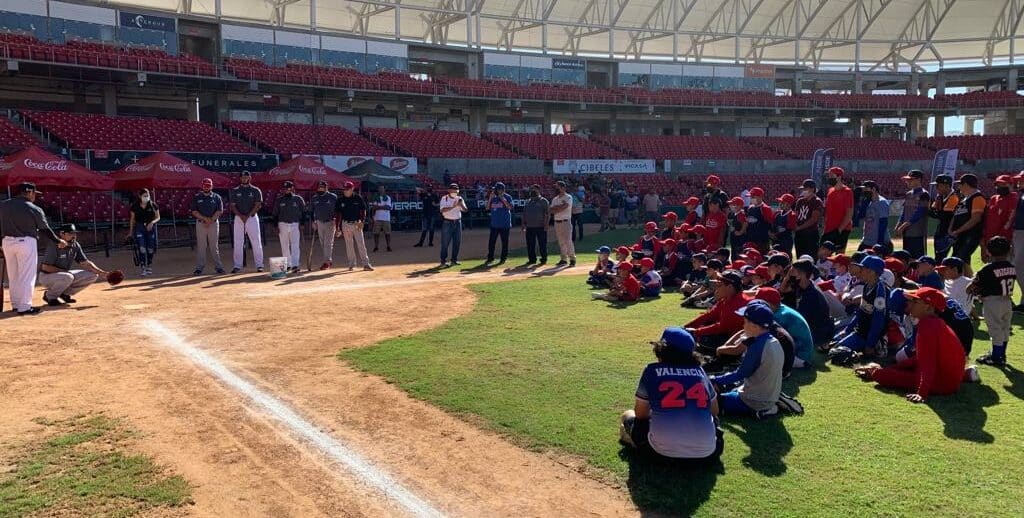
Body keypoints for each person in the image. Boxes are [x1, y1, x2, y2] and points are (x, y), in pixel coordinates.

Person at [620, 327, 724, 464]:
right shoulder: (700, 372)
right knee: (712, 422)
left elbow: (640, 414)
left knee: (628, 416)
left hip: (659, 454)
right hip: (708, 455)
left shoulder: (651, 371)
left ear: (661, 350)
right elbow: (714, 411)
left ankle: (635, 441)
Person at [857, 288, 967, 403]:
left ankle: (877, 370)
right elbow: (921, 358)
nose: (909, 303)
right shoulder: (935, 322)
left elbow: (927, 362)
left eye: (915, 301)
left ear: (928, 307)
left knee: (879, 375)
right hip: (947, 379)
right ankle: (967, 374)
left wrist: (922, 393)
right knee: (889, 370)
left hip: (941, 383)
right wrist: (892, 368)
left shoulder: (928, 324)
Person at [710, 301, 784, 418]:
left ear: (755, 327)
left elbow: (741, 374)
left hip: (754, 401)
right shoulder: (773, 341)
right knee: (728, 388)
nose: (743, 326)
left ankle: (758, 411)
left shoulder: (758, 346)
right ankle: (768, 406)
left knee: (710, 401)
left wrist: (715, 380)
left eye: (745, 322)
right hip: (768, 395)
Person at [0, 182, 66, 315]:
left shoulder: (3, 205)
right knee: (26, 275)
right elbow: (45, 229)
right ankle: (24, 306)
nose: (35, 196)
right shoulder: (33, 208)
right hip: (26, 242)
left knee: (14, 275)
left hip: (7, 242)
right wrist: (58, 240)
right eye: (34, 193)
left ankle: (16, 303)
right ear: (29, 192)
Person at [970, 236, 1017, 366]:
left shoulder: (987, 269)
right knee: (1005, 328)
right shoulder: (1012, 267)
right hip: (1007, 301)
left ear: (989, 252)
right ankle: (1002, 354)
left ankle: (996, 357)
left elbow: (972, 287)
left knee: (995, 329)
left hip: (992, 302)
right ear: (1008, 251)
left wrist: (976, 289)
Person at [833, 255, 889, 359]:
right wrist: (847, 329)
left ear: (872, 271)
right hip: (860, 331)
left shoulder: (880, 291)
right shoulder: (867, 286)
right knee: (834, 341)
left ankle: (869, 349)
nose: (860, 271)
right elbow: (861, 311)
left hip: (868, 336)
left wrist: (870, 344)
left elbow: (878, 320)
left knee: (836, 352)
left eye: (862, 269)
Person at [39, 224, 109, 306]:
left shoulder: (75, 245)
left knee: (93, 275)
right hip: (47, 277)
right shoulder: (54, 245)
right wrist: (65, 272)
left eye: (75, 233)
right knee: (68, 277)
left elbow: (85, 263)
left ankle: (64, 294)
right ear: (62, 234)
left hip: (64, 275)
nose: (74, 236)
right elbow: (46, 267)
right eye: (71, 233)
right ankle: (50, 296)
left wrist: (102, 273)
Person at [685, 271, 750, 351]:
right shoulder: (727, 299)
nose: (716, 288)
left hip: (740, 344)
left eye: (719, 285)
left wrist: (696, 332)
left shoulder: (739, 303)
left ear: (730, 287)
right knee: (704, 325)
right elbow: (709, 315)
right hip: (732, 336)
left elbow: (721, 327)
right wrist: (686, 327)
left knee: (704, 338)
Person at [781, 259, 835, 349]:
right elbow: (783, 290)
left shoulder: (812, 294)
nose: (790, 274)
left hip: (817, 332)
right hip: (809, 326)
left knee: (785, 343)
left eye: (792, 272)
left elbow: (800, 321)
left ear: (801, 275)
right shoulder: (802, 285)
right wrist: (787, 277)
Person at [755, 287, 813, 369]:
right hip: (800, 352)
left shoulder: (779, 316)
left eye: (759, 303)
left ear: (770, 303)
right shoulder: (779, 309)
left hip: (800, 357)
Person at [229, 171, 264, 273]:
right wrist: (241, 216)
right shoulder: (235, 190)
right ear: (240, 178)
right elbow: (232, 206)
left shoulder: (255, 190)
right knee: (238, 242)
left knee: (256, 242)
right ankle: (237, 265)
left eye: (246, 177)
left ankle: (259, 265)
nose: (245, 179)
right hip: (239, 218)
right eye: (243, 177)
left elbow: (258, 204)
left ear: (249, 178)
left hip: (252, 218)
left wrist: (247, 216)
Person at [334, 181, 373, 271]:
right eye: (344, 189)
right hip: (345, 224)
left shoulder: (358, 198)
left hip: (356, 224)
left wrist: (362, 221)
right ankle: (352, 264)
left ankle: (366, 264)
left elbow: (363, 210)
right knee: (349, 245)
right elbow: (338, 215)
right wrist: (338, 227)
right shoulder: (340, 200)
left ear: (352, 189)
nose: (345, 191)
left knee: (361, 244)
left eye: (347, 189)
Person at [948, 173, 986, 265]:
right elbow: (956, 215)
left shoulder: (977, 198)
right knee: (961, 261)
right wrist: (951, 230)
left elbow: (975, 219)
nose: (959, 187)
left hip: (971, 235)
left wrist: (957, 231)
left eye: (960, 185)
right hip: (960, 236)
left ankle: (969, 279)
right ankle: (966, 279)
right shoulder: (964, 199)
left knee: (960, 260)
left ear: (965, 185)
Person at [190, 178, 225, 275]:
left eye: (208, 185)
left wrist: (211, 219)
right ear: (202, 186)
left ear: (212, 186)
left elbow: (220, 211)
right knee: (201, 246)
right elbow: (194, 211)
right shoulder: (197, 197)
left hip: (213, 223)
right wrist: (205, 219)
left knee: (214, 246)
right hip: (201, 223)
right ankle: (199, 268)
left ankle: (219, 267)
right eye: (205, 185)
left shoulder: (217, 197)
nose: (207, 187)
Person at [894, 170, 932, 259]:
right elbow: (904, 211)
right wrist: (898, 224)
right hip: (907, 233)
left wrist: (903, 226)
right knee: (907, 258)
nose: (907, 182)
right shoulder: (908, 194)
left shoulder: (924, 194)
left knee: (918, 259)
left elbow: (919, 213)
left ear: (918, 180)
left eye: (910, 179)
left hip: (918, 233)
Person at [982, 175, 1018, 263]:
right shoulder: (994, 199)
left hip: (1003, 241)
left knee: (1004, 267)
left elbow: (1010, 219)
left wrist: (1000, 237)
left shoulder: (1014, 198)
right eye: (998, 185)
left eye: (1003, 185)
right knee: (991, 267)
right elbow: (987, 219)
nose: (1000, 187)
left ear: (1011, 185)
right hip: (989, 240)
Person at [272, 180, 305, 273]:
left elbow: (303, 212)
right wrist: (275, 226)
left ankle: (295, 265)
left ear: (292, 188)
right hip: (282, 224)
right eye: (285, 188)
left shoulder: (298, 199)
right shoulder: (279, 200)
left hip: (295, 224)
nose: (286, 190)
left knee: (295, 245)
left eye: (288, 188)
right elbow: (275, 214)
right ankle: (287, 264)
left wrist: (302, 223)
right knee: (284, 245)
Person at [821, 167, 854, 253]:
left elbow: (849, 214)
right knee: (822, 253)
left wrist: (839, 230)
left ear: (839, 177)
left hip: (842, 230)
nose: (829, 178)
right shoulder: (830, 191)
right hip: (829, 228)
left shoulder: (847, 192)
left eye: (831, 175)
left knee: (839, 255)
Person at [128, 188, 160, 276]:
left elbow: (158, 217)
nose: (146, 197)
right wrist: (130, 232)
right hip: (139, 227)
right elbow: (132, 219)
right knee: (142, 248)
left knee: (150, 249)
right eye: (144, 196)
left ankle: (149, 264)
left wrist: (152, 222)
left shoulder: (153, 205)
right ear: (140, 196)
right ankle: (143, 267)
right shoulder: (134, 206)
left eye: (148, 195)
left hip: (150, 228)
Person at [928, 174, 959, 261]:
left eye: (938, 186)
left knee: (955, 259)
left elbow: (944, 215)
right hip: (941, 231)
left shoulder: (954, 197)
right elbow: (934, 213)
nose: (936, 188)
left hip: (951, 233)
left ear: (946, 186)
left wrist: (930, 209)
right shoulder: (940, 197)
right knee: (939, 258)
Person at [310, 180, 338, 270]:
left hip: (330, 222)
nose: (320, 188)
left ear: (326, 187)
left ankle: (327, 262)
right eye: (319, 187)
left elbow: (338, 211)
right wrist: (313, 221)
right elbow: (311, 211)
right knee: (323, 243)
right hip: (319, 222)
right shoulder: (314, 198)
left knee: (328, 243)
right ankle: (328, 260)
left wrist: (337, 223)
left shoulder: (333, 197)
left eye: (322, 187)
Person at [438, 183, 469, 267]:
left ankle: (454, 260)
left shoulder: (460, 198)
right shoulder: (445, 198)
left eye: (456, 189)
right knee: (445, 243)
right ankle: (443, 261)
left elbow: (465, 210)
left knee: (457, 242)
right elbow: (443, 210)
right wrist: (454, 206)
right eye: (453, 189)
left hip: (457, 222)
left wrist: (461, 204)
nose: (455, 191)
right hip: (447, 223)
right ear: (449, 190)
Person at [793, 179, 823, 259]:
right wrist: (795, 225)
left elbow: (814, 219)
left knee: (811, 257)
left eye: (805, 189)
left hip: (810, 234)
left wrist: (799, 227)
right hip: (799, 234)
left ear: (812, 189)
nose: (803, 191)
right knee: (800, 257)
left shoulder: (817, 201)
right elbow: (795, 215)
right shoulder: (800, 201)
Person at [857, 180, 890, 251]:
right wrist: (864, 203)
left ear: (874, 189)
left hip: (879, 241)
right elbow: (861, 216)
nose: (864, 191)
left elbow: (883, 222)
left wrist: (879, 242)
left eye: (866, 189)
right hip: (866, 240)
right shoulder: (868, 201)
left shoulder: (882, 202)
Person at [485, 182, 514, 264]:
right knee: (491, 242)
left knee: (505, 242)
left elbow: (510, 207)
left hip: (505, 224)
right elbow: (487, 208)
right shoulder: (493, 197)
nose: (495, 191)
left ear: (501, 190)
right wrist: (490, 198)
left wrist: (502, 199)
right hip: (494, 224)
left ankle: (503, 258)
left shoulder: (508, 197)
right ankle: (490, 258)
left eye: (496, 189)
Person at [522, 184, 549, 265]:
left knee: (542, 244)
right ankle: (532, 259)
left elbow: (547, 213)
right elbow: (524, 213)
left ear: (539, 190)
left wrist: (546, 224)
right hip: (529, 227)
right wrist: (523, 223)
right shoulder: (528, 201)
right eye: (532, 189)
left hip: (541, 226)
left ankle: (544, 259)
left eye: (535, 189)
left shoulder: (544, 201)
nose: (533, 190)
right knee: (530, 245)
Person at [551, 181, 576, 267]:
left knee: (568, 241)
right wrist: (559, 207)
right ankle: (563, 259)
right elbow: (551, 210)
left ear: (563, 188)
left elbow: (564, 207)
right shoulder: (555, 199)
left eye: (558, 187)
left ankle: (572, 259)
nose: (556, 189)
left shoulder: (568, 197)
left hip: (566, 221)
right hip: (557, 222)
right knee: (561, 241)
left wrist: (557, 208)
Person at [744, 188, 774, 252]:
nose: (751, 198)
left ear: (760, 197)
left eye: (753, 197)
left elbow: (770, 223)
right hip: (751, 239)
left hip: (762, 240)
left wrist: (770, 233)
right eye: (750, 197)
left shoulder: (765, 208)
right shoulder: (750, 208)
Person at [771, 193, 796, 257]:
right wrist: (771, 234)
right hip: (775, 240)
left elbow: (791, 229)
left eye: (782, 202)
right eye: (780, 202)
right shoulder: (777, 213)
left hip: (785, 242)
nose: (780, 204)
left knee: (785, 258)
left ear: (789, 204)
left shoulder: (792, 215)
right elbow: (772, 226)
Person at [370, 185, 393, 252]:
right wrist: (383, 206)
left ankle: (388, 246)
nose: (381, 190)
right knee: (376, 233)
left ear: (384, 189)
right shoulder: (375, 197)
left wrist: (378, 207)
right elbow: (374, 208)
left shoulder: (388, 197)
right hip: (377, 218)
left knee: (387, 233)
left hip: (386, 219)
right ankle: (376, 247)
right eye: (380, 188)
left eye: (382, 188)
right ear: (378, 189)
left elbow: (388, 208)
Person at [1014, 171, 1024, 311]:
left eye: (1021, 181)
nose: (1019, 183)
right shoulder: (1021, 195)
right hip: (1019, 232)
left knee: (1019, 266)